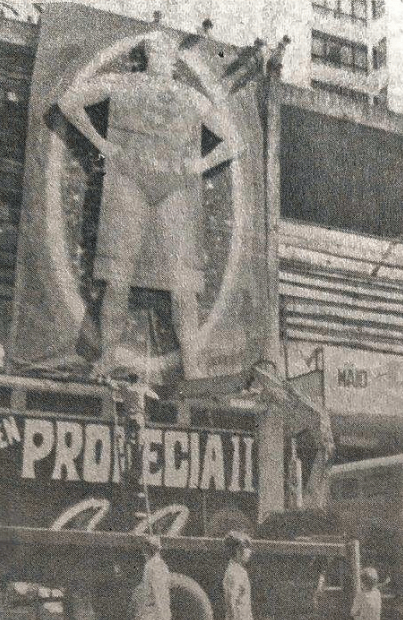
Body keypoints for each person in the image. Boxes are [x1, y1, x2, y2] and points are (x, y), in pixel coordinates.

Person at [58, 31, 242, 378]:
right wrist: (102, 143)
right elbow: (68, 102)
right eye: (155, 50)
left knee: (183, 284)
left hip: (176, 189)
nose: (162, 56)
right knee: (117, 278)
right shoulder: (123, 83)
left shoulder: (191, 98)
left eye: (167, 51)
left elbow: (234, 140)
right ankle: (109, 356)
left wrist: (199, 165)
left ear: (174, 59)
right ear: (146, 56)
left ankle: (193, 365)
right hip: (128, 181)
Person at [222, 531, 268, 620]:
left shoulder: (238, 570)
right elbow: (231, 602)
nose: (250, 552)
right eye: (247, 548)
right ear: (238, 550)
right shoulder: (234, 572)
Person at [131, 532, 172, 620]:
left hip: (152, 614)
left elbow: (153, 592)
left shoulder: (150, 567)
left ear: (146, 550)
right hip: (162, 612)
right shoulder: (163, 566)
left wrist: (139, 614)